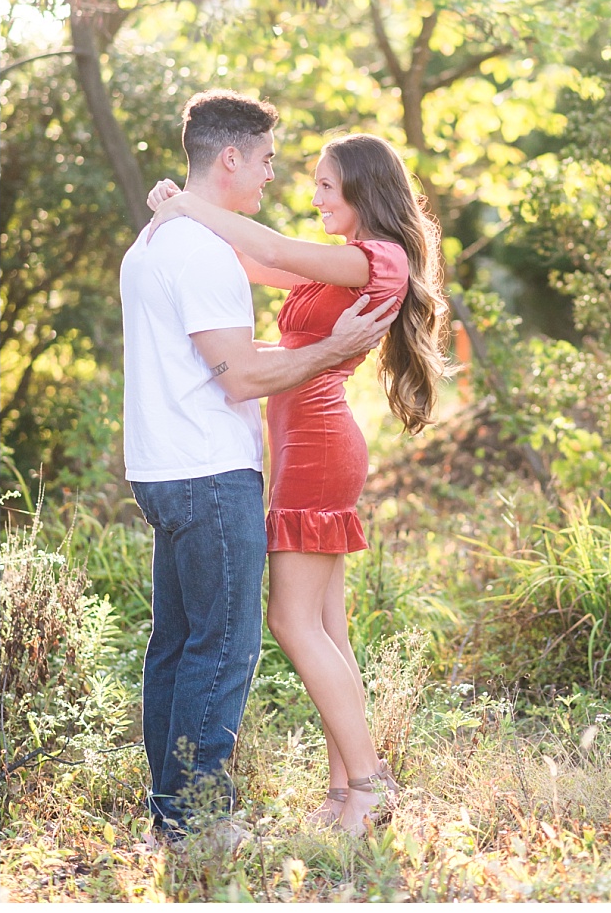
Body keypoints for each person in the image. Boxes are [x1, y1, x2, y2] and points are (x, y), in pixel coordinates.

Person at [147, 130, 451, 836]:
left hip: (317, 446)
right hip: (308, 446)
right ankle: (345, 790)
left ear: (363, 190)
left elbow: (276, 250)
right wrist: (178, 205)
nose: (313, 197)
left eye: (324, 185)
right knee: (326, 627)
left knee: (290, 622)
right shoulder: (341, 265)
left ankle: (369, 785)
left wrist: (189, 205)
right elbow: (251, 261)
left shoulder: (375, 257)